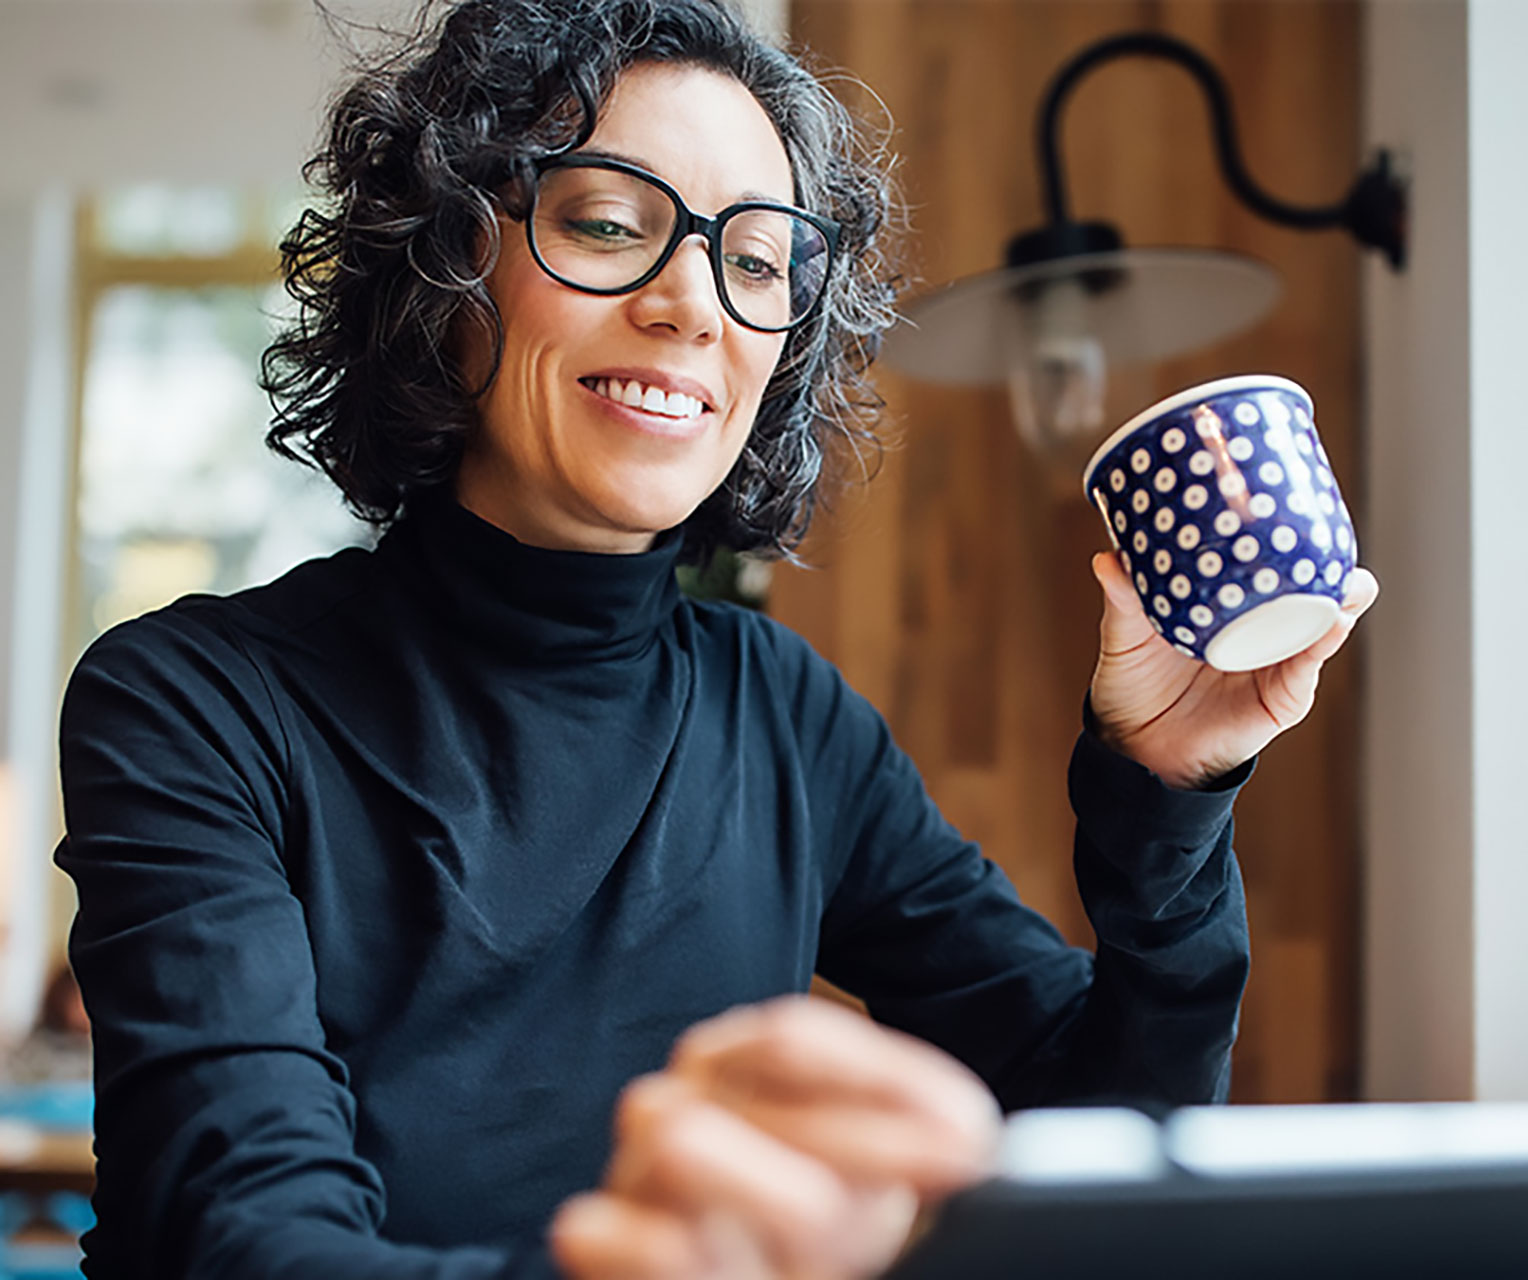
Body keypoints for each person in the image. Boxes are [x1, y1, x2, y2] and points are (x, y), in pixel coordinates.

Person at [52, 2, 1379, 1278]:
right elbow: (242, 1241)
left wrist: (1170, 795)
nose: (693, 303)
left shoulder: (786, 715)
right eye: (610, 222)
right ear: (450, 268)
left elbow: (1106, 1121)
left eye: (754, 260)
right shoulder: (193, 703)